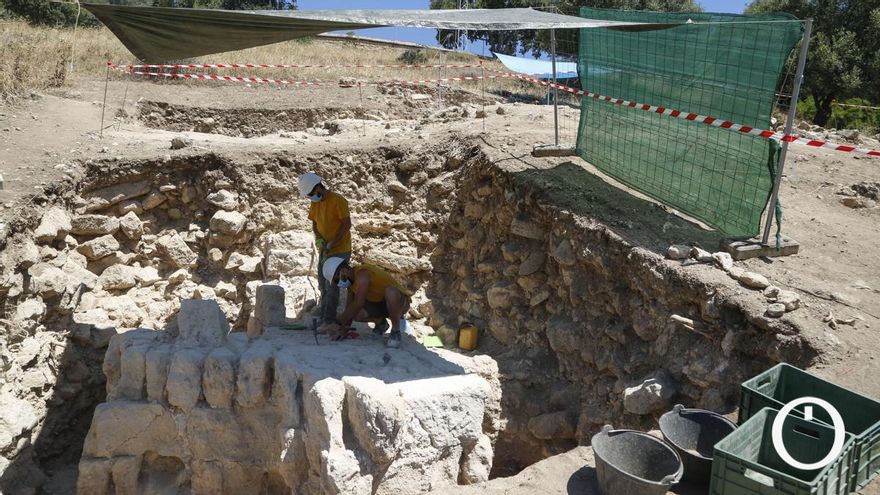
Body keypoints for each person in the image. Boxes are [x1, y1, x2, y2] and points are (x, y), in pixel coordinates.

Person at [321, 256, 411, 348]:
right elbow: (349, 309)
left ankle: (395, 332)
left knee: (390, 291)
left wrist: (337, 323)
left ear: (343, 271)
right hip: (381, 305)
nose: (338, 284)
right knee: (356, 313)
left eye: (336, 280)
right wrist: (343, 330)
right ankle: (381, 323)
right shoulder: (351, 286)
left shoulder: (362, 274)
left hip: (400, 304)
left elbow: (358, 303)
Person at [298, 172, 352, 325]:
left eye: (310, 194)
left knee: (332, 285)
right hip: (325, 249)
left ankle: (329, 321)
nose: (310, 198)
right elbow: (314, 224)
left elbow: (346, 224)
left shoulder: (338, 201)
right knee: (322, 283)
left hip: (340, 250)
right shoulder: (315, 203)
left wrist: (333, 243)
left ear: (318, 188)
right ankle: (323, 316)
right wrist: (320, 239)